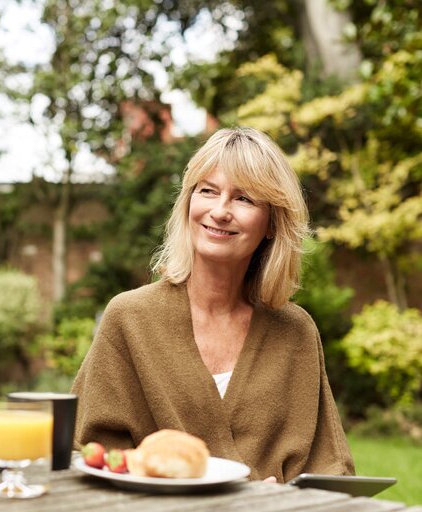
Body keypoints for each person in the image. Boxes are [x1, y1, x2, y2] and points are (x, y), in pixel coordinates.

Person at [71, 126, 355, 482]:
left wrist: (285, 498)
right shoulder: (129, 318)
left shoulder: (296, 332)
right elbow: (90, 450)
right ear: (189, 202)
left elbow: (332, 466)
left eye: (244, 199)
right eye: (208, 191)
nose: (220, 211)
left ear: (271, 223)